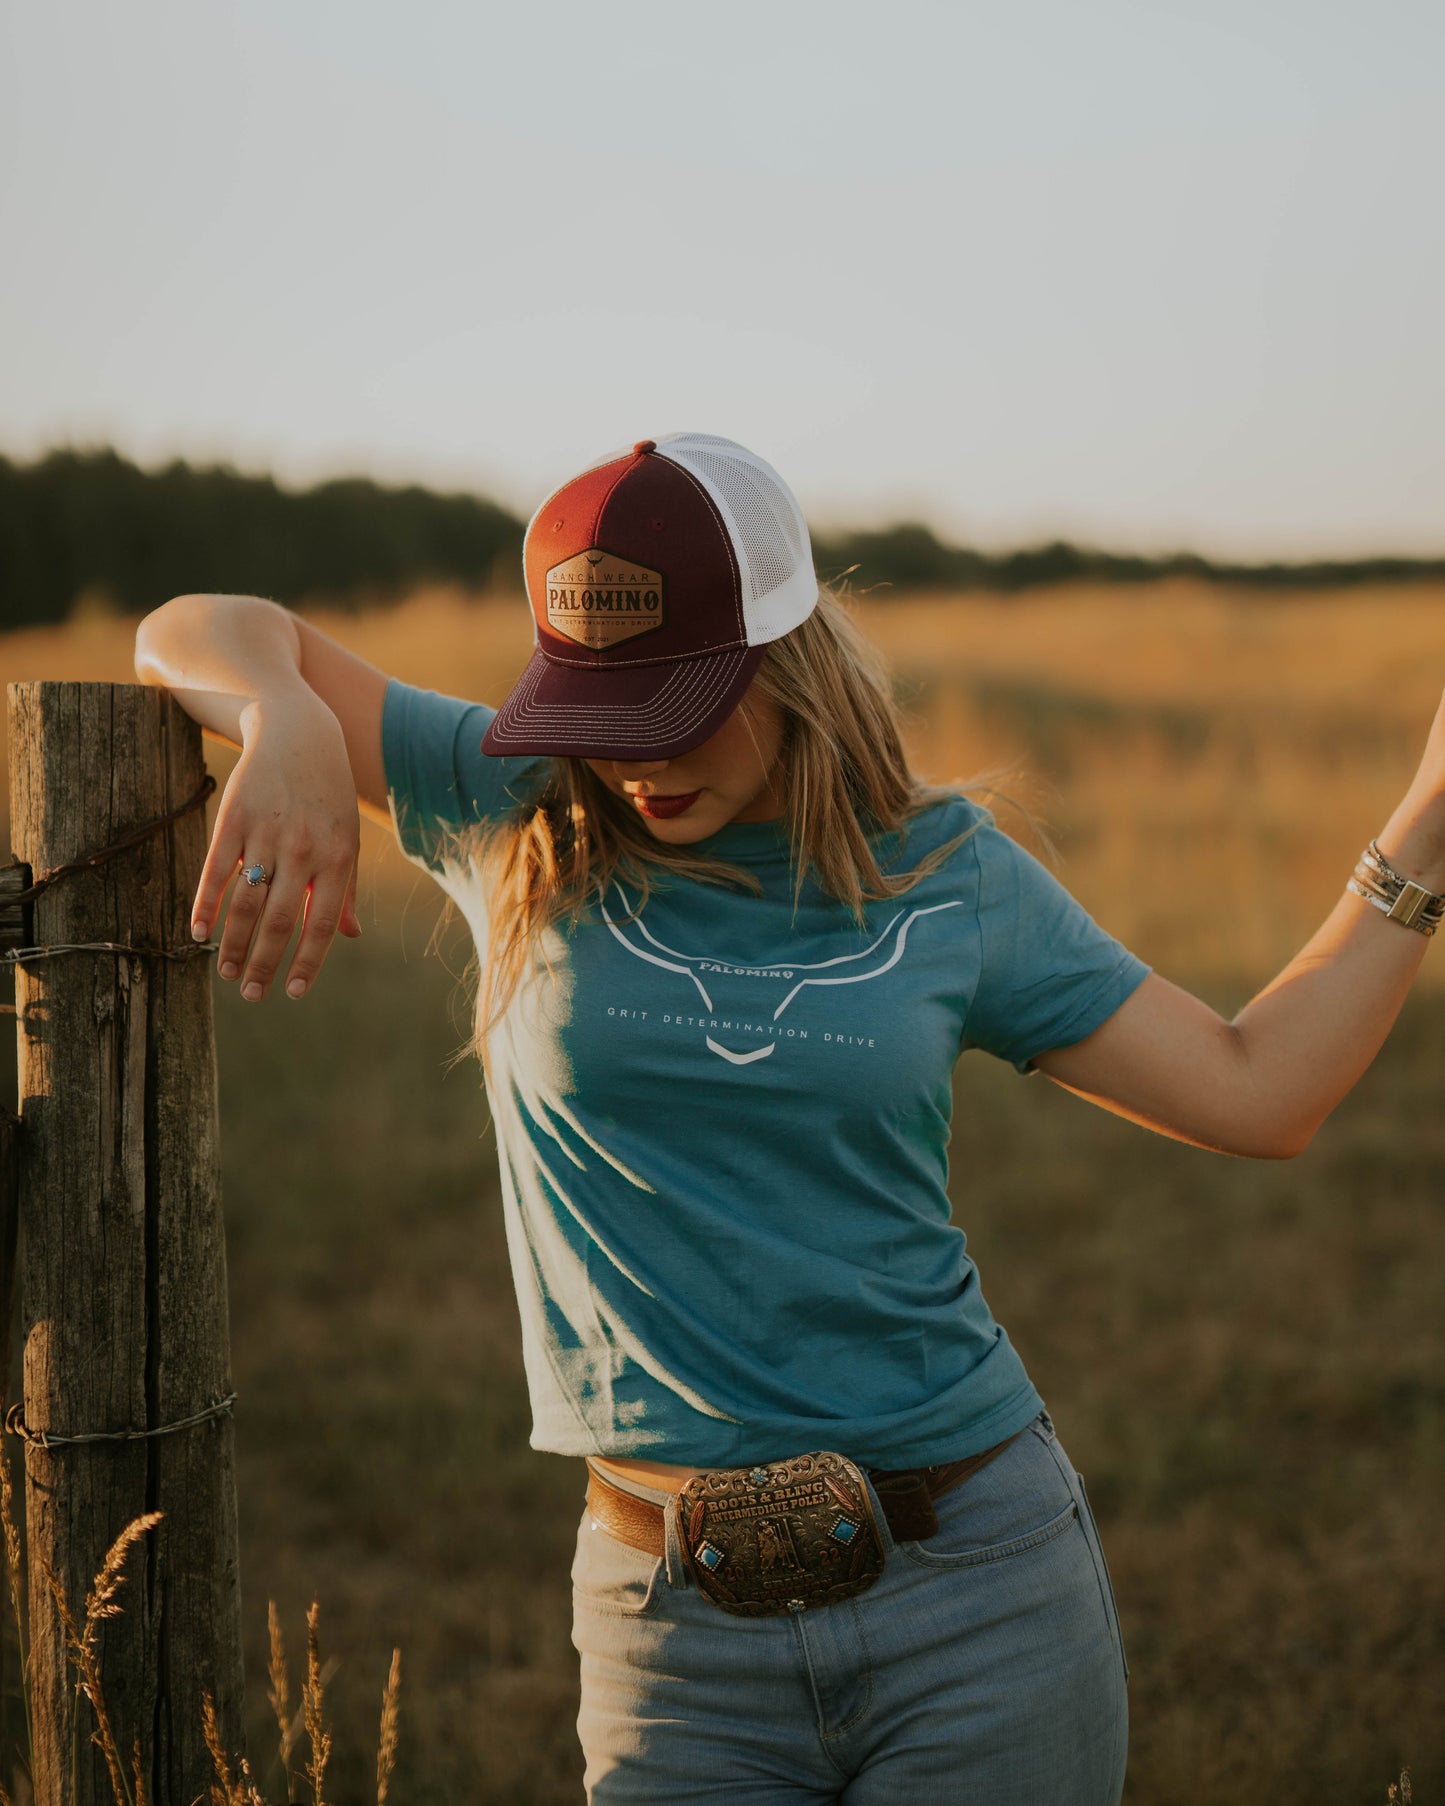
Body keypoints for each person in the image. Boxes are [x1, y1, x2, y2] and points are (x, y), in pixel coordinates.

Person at [133, 432, 1445, 1805]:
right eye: (602, 704)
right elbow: (191, 629)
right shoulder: (513, 803)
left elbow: (1255, 1088)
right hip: (669, 1635)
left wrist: (1419, 827)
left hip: (976, 1598)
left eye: (680, 701)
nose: (636, 757)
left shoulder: (945, 876)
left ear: (786, 653)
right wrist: (283, 712)